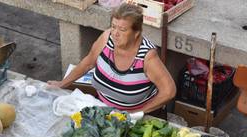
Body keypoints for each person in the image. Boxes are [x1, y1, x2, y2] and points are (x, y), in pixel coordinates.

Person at [48, 3, 176, 113]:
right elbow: (88, 62)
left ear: (136, 33)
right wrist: (62, 84)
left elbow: (169, 91)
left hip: (134, 118)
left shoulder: (147, 57)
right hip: (102, 108)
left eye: (122, 29)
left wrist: (137, 114)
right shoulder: (106, 37)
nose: (115, 33)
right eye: (114, 26)